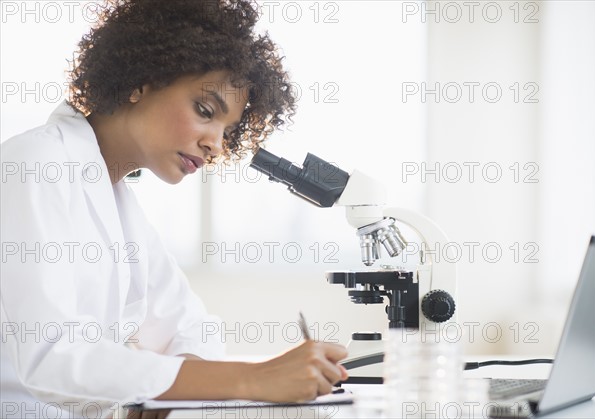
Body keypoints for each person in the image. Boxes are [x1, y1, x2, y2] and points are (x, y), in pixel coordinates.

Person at [0, 1, 348, 418]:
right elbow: (53, 357)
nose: (216, 144)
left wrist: (165, 388)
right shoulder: (34, 164)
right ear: (140, 81)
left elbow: (189, 328)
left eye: (227, 130)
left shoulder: (119, 204)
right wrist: (252, 378)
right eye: (205, 111)